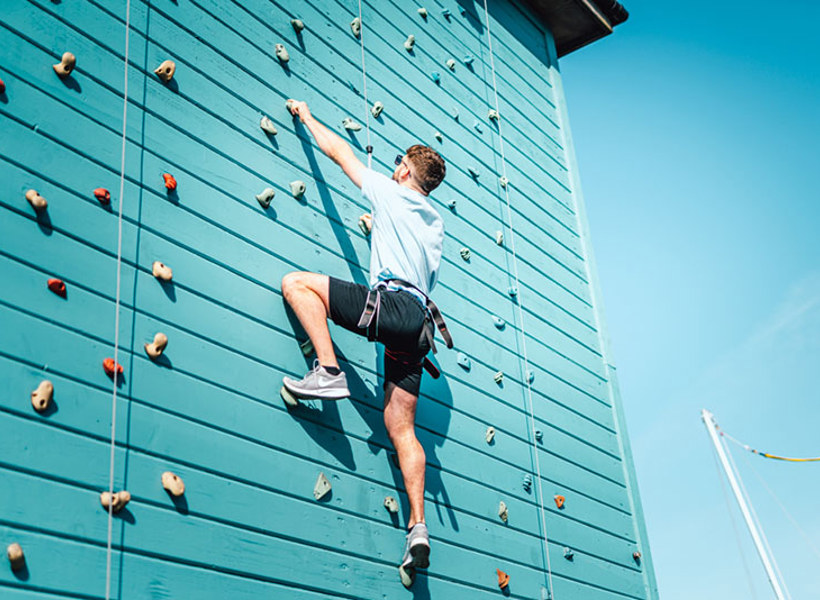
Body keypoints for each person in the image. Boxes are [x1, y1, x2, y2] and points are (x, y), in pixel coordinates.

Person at [280, 99, 450, 584]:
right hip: (418, 329)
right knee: (402, 429)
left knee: (298, 284)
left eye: (398, 163)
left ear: (403, 170)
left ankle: (328, 371)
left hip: (394, 307)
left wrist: (307, 117)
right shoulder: (434, 223)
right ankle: (418, 527)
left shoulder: (392, 192)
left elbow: (340, 155)